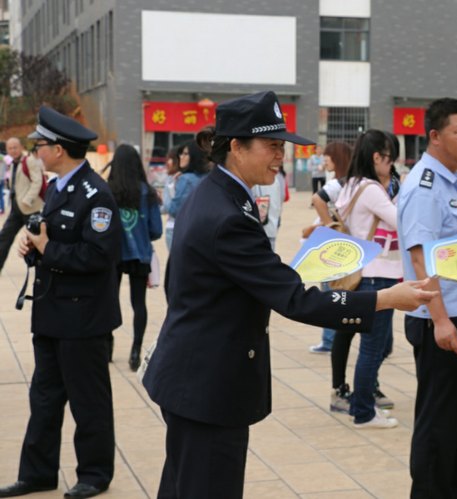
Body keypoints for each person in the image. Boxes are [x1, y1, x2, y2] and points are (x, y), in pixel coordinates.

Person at [141, 91, 435, 499]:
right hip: (207, 385)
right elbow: (296, 300)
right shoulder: (228, 214)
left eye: (282, 147)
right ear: (237, 147)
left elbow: (187, 282)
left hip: (194, 375)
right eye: (272, 146)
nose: (280, 156)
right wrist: (387, 299)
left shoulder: (215, 194)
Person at [0, 107, 122, 499]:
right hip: (53, 312)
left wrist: (48, 248)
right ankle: (37, 473)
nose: (36, 152)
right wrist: (35, 250)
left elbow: (98, 256)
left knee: (89, 403)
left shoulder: (95, 194)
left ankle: (95, 474)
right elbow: (55, 241)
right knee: (45, 399)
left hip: (84, 318)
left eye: (41, 145)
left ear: (59, 149)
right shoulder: (59, 187)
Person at [397, 98, 457, 498]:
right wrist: (441, 321)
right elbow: (421, 258)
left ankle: (455, 491)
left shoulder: (453, 180)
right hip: (444, 321)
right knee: (438, 423)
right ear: (434, 136)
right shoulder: (425, 187)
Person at [329, 129, 402, 427]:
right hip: (376, 275)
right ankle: (363, 411)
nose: (392, 165)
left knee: (377, 345)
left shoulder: (351, 185)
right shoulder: (371, 188)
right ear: (377, 157)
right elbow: (401, 220)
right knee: (374, 347)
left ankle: (364, 402)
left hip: (363, 273)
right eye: (390, 158)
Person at [107, 144, 163, 371]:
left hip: (113, 255)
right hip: (139, 254)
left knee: (109, 300)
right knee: (138, 303)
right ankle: (135, 350)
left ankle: (107, 346)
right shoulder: (147, 193)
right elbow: (156, 230)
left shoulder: (108, 190)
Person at [306, 141, 354, 354]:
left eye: (328, 156)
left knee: (329, 290)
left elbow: (317, 198)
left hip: (333, 242)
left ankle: (328, 341)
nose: (325, 159)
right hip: (348, 241)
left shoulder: (337, 184)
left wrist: (327, 226)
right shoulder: (352, 182)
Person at [0, 137, 45, 272]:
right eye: (10, 148)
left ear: (21, 147)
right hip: (16, 208)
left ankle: (45, 270)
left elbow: (37, 182)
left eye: (15, 147)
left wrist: (27, 200)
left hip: (30, 208)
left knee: (37, 241)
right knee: (4, 237)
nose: (13, 150)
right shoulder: (13, 163)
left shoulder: (29, 161)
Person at [167, 141, 209, 224]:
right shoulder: (207, 176)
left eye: (185, 154)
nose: (181, 157)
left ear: (194, 156)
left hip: (187, 226)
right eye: (180, 154)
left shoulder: (186, 179)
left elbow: (174, 210)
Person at [252, 164, 286, 249]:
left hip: (261, 225)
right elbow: (282, 196)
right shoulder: (278, 177)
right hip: (273, 221)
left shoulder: (256, 178)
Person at [161, 146, 181, 250]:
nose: (167, 162)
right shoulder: (190, 177)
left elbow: (167, 207)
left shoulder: (171, 179)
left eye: (170, 158)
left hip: (173, 227)